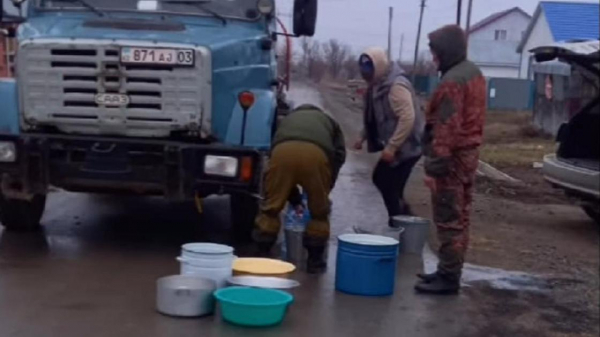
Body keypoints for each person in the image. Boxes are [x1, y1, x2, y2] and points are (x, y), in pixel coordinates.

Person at [414, 25, 487, 295]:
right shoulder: (473, 73)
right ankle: (448, 270)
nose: (433, 58)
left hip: (452, 161)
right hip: (467, 156)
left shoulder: (452, 82)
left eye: (436, 53)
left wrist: (434, 169)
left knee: (448, 217)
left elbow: (446, 129)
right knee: (461, 216)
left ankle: (449, 278)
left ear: (447, 51)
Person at [253, 104, 346, 274]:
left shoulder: (287, 119)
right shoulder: (329, 121)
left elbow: (275, 151)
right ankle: (314, 262)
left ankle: (262, 253)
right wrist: (326, 185)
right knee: (319, 213)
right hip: (316, 155)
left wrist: (292, 197)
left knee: (271, 208)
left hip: (282, 153)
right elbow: (339, 154)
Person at [354, 47, 424, 228]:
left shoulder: (396, 87)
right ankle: (404, 220)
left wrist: (392, 147)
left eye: (369, 70)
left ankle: (399, 223)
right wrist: (362, 136)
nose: (366, 75)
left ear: (378, 66)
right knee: (390, 185)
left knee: (384, 181)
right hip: (399, 145)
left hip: (409, 147)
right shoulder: (377, 85)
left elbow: (408, 118)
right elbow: (376, 116)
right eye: (364, 71)